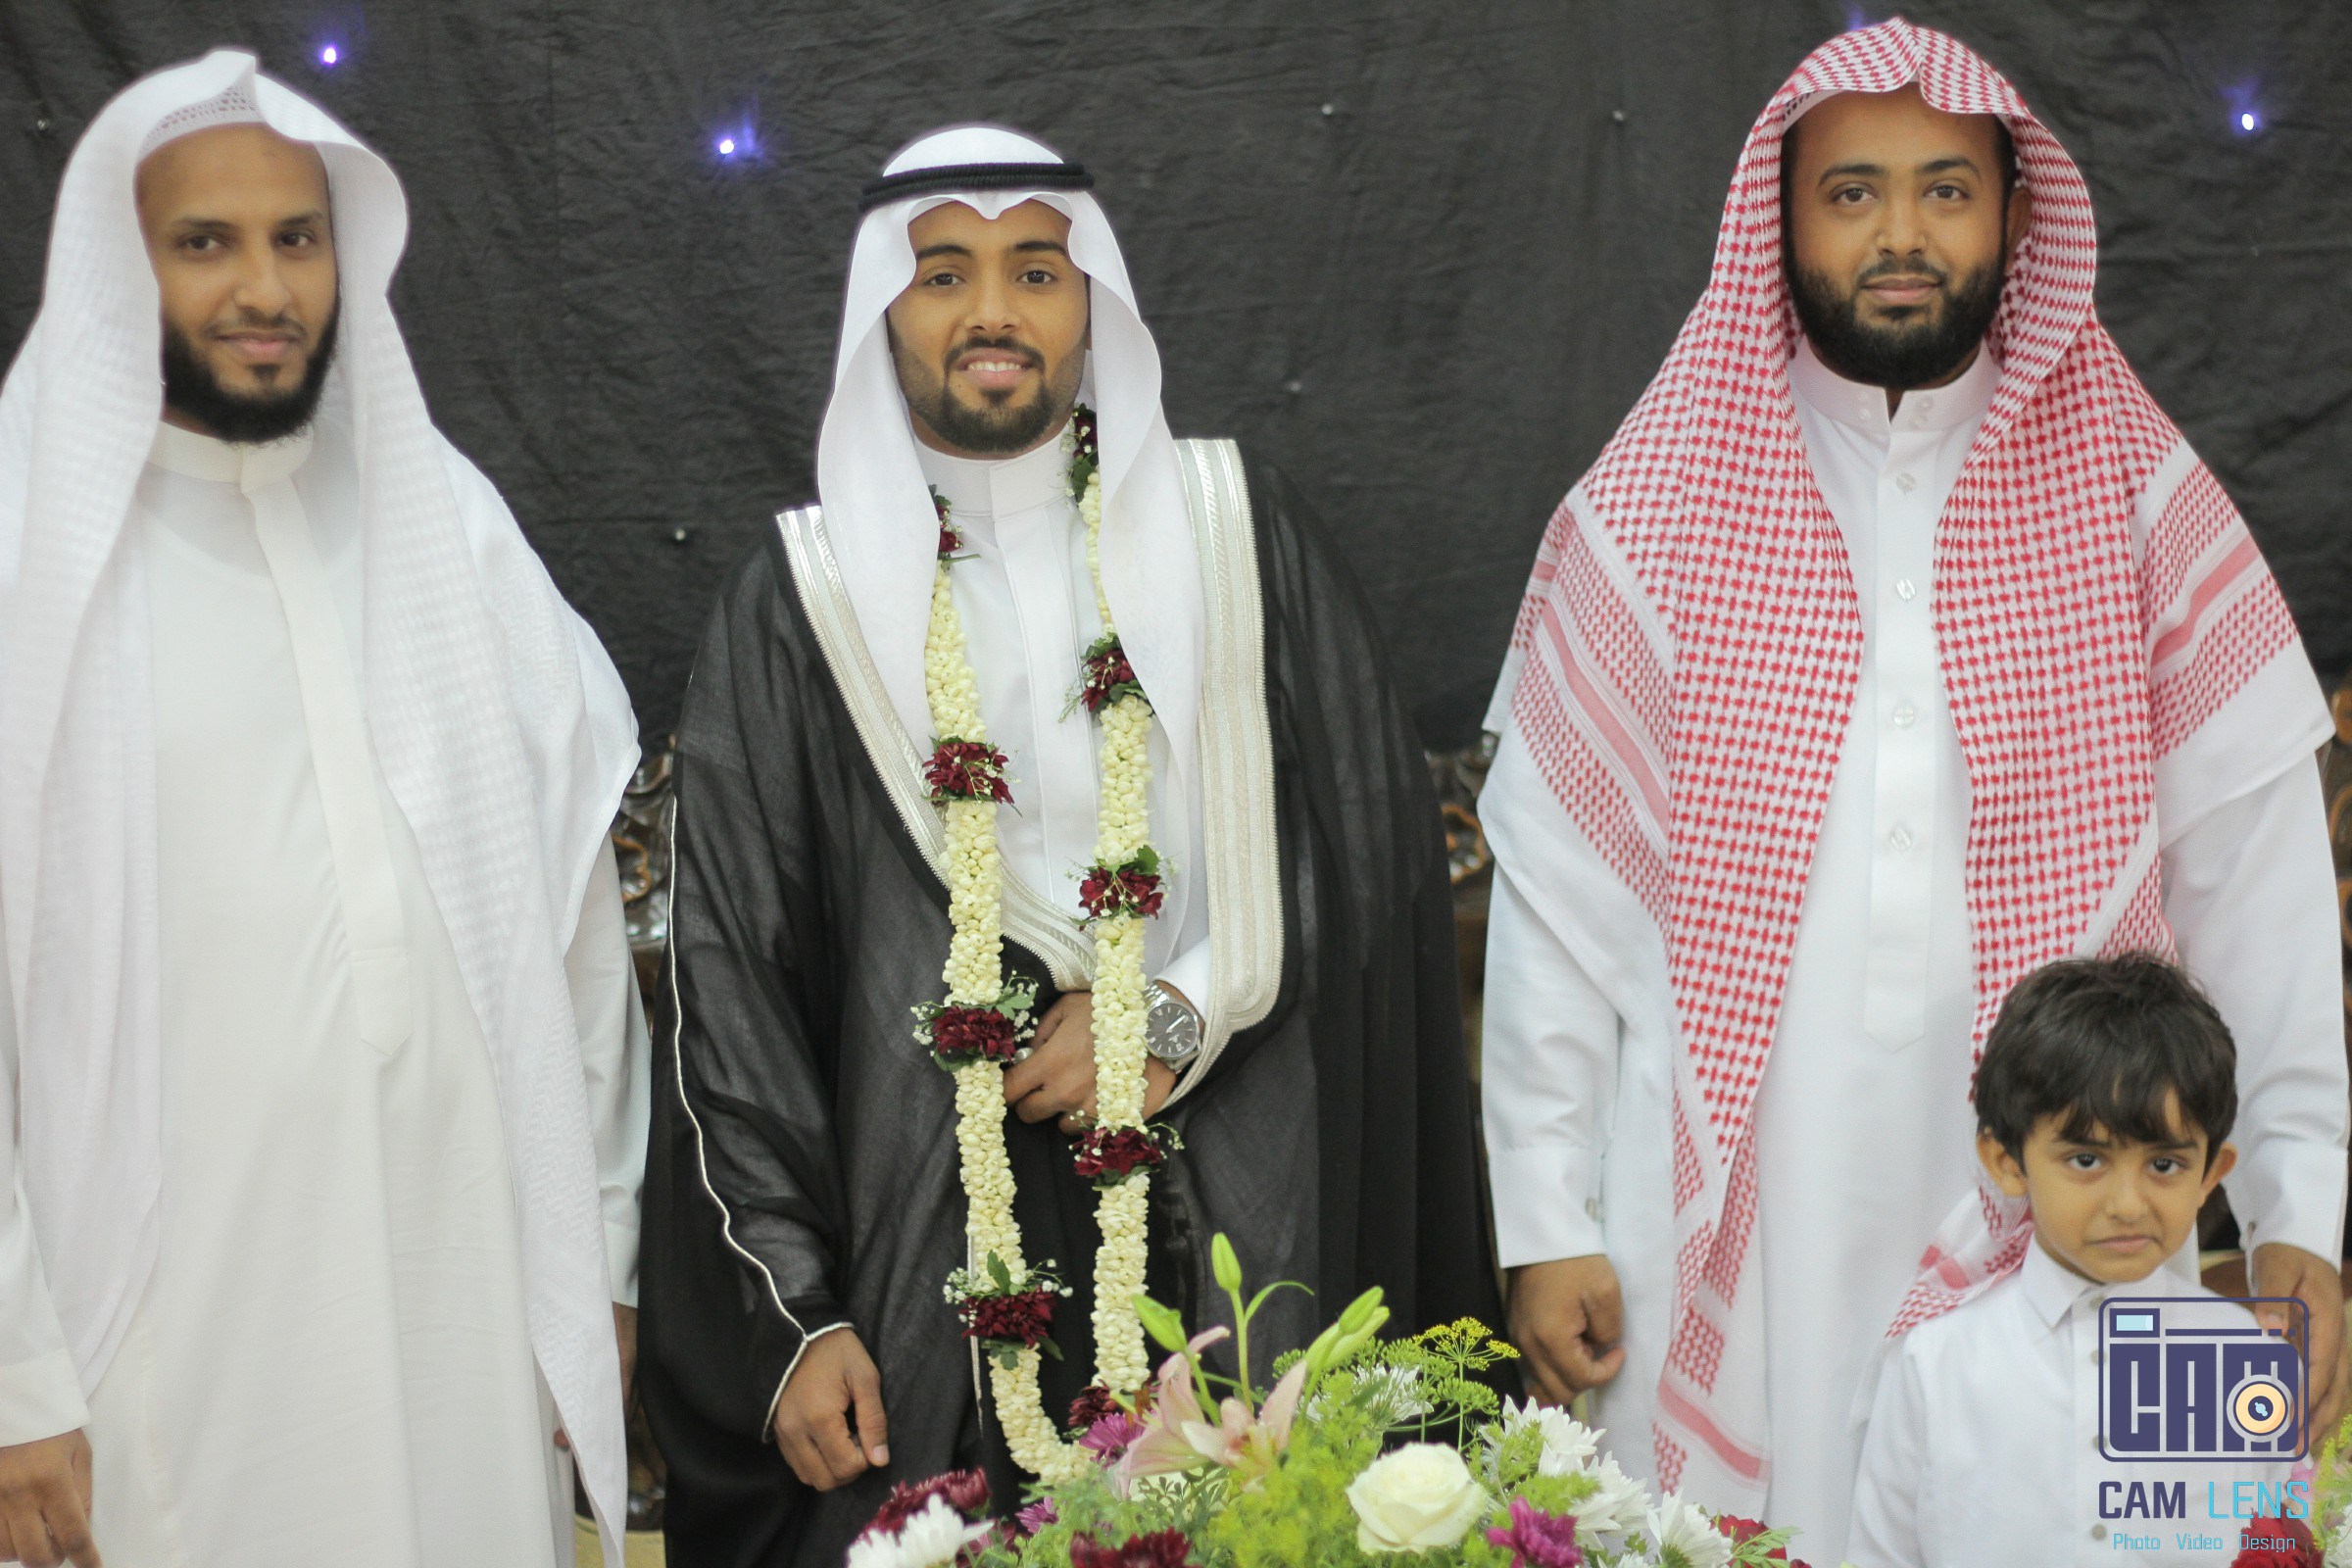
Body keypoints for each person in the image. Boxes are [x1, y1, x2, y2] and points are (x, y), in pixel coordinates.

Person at [1478, 18, 2347, 1560]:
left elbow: (2262, 895)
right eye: (1852, 192)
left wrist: (2303, 1220)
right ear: (1782, 222)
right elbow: (1559, 900)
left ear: (2013, 216)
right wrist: (1543, 1217)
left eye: (1946, 189)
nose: (1901, 233)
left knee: (2131, 1534)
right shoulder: (1658, 502)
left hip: (2088, 1200)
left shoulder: (2138, 500)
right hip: (1730, 1201)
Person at [638, 124, 1495, 1567]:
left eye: (1037, 270)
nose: (993, 312)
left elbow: (1364, 859)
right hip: (929, 1256)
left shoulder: (1236, 533)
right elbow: (731, 986)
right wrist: (795, 1313)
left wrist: (1171, 1009)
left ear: (1091, 300)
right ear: (881, 311)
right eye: (944, 275)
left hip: (1237, 1207)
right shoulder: (800, 603)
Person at [0, 51, 647, 1568]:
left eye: (297, 238)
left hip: (465, 1300)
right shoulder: (27, 557)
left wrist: (600, 1256)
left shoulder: (446, 526)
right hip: (150, 1337)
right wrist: (15, 1374)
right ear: (118, 267)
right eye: (205, 242)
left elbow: (574, 927)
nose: (264, 287)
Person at [1850, 956, 2296, 1566]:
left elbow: (2286, 1545)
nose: (2127, 1205)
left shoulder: (2248, 1360)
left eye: (2164, 1165)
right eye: (2086, 1160)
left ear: (2209, 1175)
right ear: (2007, 1162)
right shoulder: (1933, 1365)